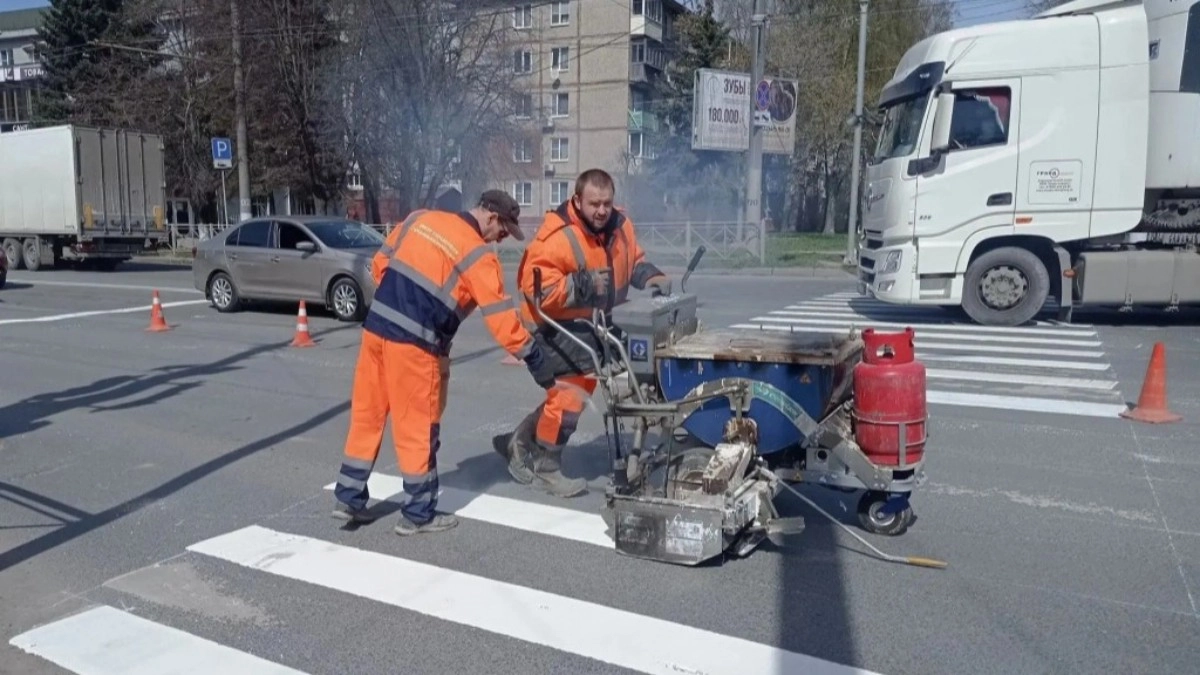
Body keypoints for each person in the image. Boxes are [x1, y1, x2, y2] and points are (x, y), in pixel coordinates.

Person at [333, 190, 557, 534]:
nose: (500, 239)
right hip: (415, 344)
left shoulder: (419, 219)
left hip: (376, 330)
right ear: (492, 217)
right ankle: (418, 515)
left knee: (368, 414)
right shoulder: (478, 255)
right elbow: (501, 321)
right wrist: (534, 356)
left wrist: (402, 302)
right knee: (418, 427)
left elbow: (380, 265)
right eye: (503, 231)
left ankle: (348, 497)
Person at [493, 169, 670, 498]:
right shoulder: (555, 237)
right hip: (553, 326)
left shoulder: (620, 226)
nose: (602, 211)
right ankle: (547, 467)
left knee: (635, 366)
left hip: (594, 323)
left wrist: (652, 278)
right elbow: (537, 292)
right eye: (594, 204)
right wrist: (584, 284)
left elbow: (633, 262)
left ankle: (519, 440)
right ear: (577, 200)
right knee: (571, 393)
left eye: (607, 203)